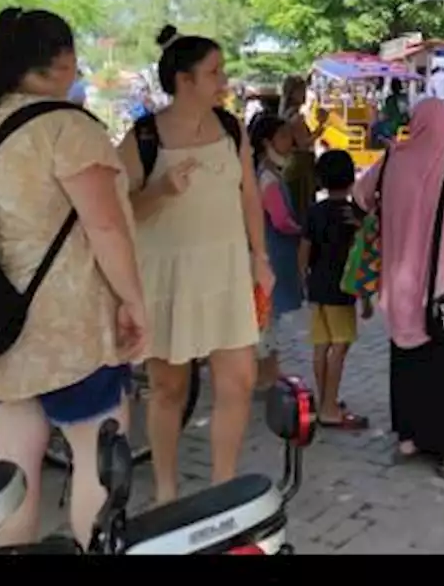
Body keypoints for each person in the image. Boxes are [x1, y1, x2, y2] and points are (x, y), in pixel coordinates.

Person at [0, 7, 148, 547]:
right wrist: (135, 302)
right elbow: (107, 229)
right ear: (62, 61)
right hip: (68, 329)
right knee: (96, 454)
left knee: (12, 463)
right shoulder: (66, 128)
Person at [118, 25, 272, 505]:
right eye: (214, 72)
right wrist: (160, 191)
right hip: (169, 277)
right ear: (184, 80)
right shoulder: (143, 136)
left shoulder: (230, 127)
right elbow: (118, 213)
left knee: (240, 381)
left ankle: (221, 487)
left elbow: (250, 194)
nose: (223, 80)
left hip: (226, 273)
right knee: (169, 387)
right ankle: (166, 489)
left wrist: (260, 256)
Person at [354, 99, 444, 479]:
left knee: (407, 359)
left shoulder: (392, 161)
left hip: (400, 282)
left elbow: (359, 199)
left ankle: (409, 439)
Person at [299, 149, 370, 430]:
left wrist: (304, 280)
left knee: (321, 346)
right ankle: (329, 408)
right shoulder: (354, 215)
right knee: (339, 347)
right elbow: (361, 258)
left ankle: (325, 398)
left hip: (317, 286)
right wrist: (365, 297)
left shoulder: (314, 211)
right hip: (342, 290)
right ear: (352, 178)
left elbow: (303, 250)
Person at [250, 114, 304, 391]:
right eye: (283, 136)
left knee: (267, 320)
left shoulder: (265, 172)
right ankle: (266, 376)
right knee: (266, 321)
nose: (290, 141)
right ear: (266, 142)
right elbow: (281, 220)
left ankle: (269, 373)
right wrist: (303, 230)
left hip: (272, 254)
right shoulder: (268, 177)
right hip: (272, 256)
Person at [280, 74, 318, 227]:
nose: (304, 94)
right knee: (303, 208)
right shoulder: (296, 117)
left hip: (293, 163)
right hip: (301, 165)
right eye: (301, 90)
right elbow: (304, 144)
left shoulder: (285, 113)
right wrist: (321, 127)